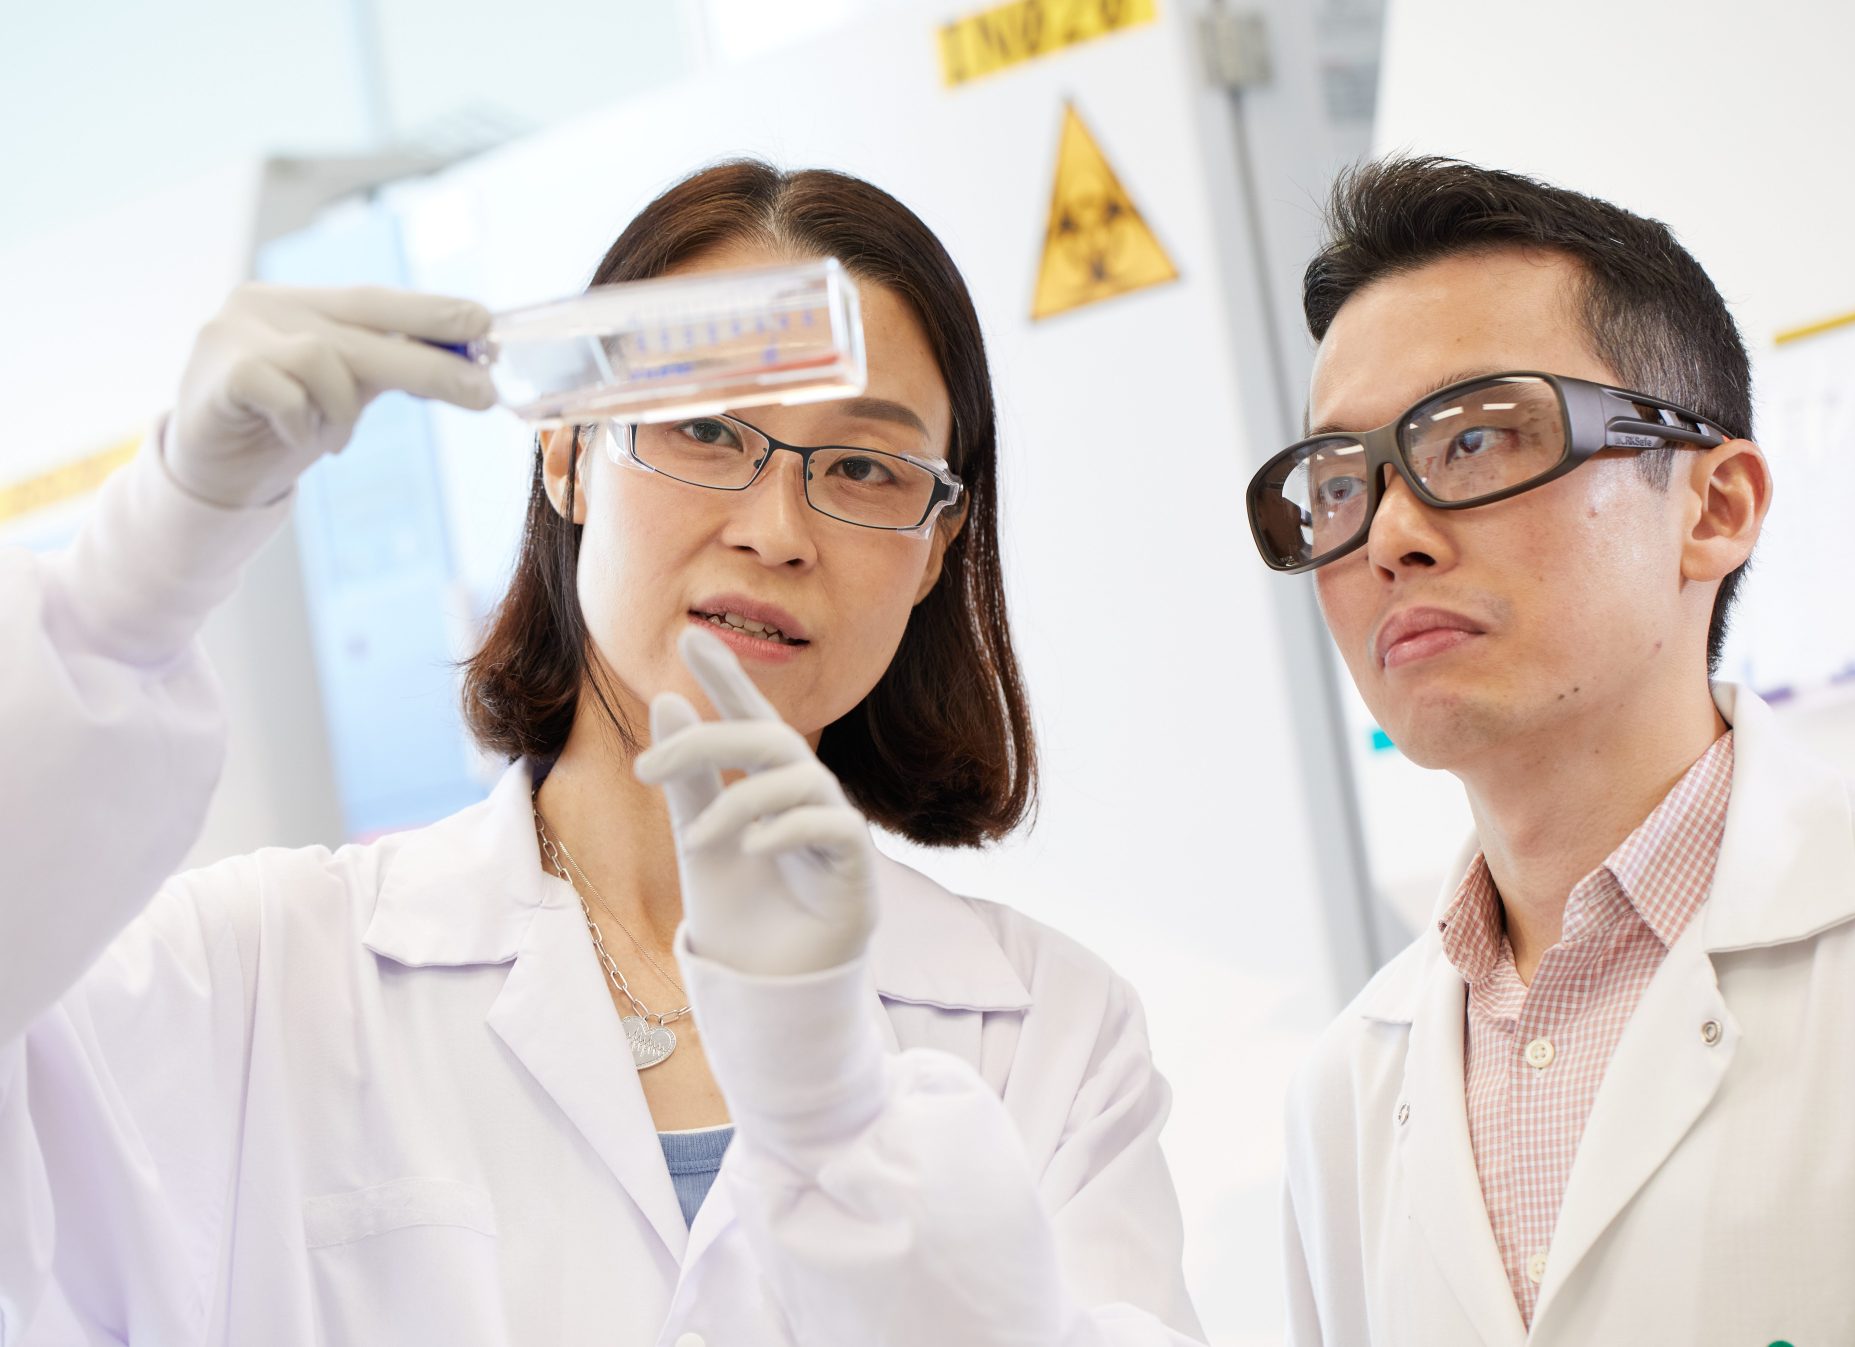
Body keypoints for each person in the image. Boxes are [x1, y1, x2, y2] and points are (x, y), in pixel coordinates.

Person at [0, 161, 1203, 1346]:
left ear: (936, 550)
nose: (776, 529)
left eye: (861, 468)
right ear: (568, 455)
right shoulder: (262, 975)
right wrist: (131, 588)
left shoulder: (1052, 1035)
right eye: (705, 430)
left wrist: (836, 1106)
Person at [1254, 157, 1855, 1345]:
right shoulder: (1345, 1094)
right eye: (1342, 483)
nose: (1392, 536)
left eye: (1476, 443)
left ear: (1713, 508)